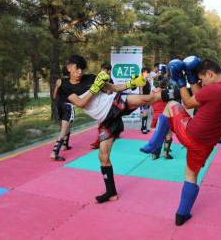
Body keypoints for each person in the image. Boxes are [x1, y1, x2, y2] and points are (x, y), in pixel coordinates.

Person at [64, 54, 179, 204]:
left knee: (146, 99)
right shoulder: (66, 88)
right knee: (103, 157)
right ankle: (111, 192)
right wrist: (94, 88)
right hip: (105, 120)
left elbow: (115, 88)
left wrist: (131, 84)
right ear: (69, 68)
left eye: (82, 69)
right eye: (76, 68)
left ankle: (186, 93)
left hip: (114, 102)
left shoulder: (91, 77)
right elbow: (80, 103)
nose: (80, 72)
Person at [141, 56, 221, 226]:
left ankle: (155, 143)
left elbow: (188, 102)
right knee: (191, 174)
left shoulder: (212, 90)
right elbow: (201, 95)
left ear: (209, 73)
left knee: (171, 104)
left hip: (191, 134)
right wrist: (192, 80)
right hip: (207, 144)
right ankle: (182, 214)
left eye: (202, 80)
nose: (202, 84)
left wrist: (180, 80)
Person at [142, 75, 173, 160]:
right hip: (165, 115)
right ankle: (165, 152)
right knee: (169, 133)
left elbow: (151, 105)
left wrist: (153, 115)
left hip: (156, 116)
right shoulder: (165, 92)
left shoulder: (152, 92)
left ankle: (154, 154)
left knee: (158, 134)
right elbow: (170, 103)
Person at [50, 66, 75, 161]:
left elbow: (54, 95)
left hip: (60, 105)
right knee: (64, 130)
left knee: (69, 125)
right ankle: (54, 152)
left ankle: (65, 145)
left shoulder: (59, 81)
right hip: (68, 106)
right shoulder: (72, 82)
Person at [90, 62, 114, 149]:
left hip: (106, 105)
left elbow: (108, 93)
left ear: (109, 71)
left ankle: (99, 141)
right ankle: (112, 134)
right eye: (102, 69)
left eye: (105, 69)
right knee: (103, 123)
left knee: (101, 123)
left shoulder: (110, 81)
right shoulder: (98, 79)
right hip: (100, 104)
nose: (102, 70)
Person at [140, 67, 152, 134]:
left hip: (148, 99)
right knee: (145, 113)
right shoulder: (141, 81)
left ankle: (144, 127)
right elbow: (141, 91)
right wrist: (142, 100)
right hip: (144, 99)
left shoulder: (147, 81)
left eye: (149, 73)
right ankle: (144, 128)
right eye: (147, 73)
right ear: (143, 73)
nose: (149, 74)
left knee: (146, 113)